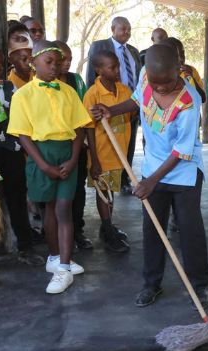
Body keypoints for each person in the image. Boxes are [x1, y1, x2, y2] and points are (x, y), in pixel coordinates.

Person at [91, 44, 208, 308]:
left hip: (183, 172)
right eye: (155, 83)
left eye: (166, 83)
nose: (160, 88)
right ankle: (151, 284)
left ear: (178, 71)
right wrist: (114, 110)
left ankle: (199, 285)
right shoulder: (147, 75)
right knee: (152, 230)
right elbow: (138, 99)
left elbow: (181, 151)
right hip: (153, 167)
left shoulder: (190, 101)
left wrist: (151, 182)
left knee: (190, 230)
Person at [8, 41, 92, 294]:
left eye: (58, 62)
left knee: (64, 207)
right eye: (49, 62)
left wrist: (74, 158)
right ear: (34, 63)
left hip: (67, 153)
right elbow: (23, 135)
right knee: (50, 209)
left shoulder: (67, 91)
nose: (55, 67)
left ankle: (63, 268)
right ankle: (55, 257)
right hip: (40, 154)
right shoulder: (23, 95)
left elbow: (79, 128)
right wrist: (43, 165)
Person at [83, 50, 132, 253]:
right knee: (104, 194)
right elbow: (89, 129)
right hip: (102, 155)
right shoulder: (92, 95)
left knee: (110, 193)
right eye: (112, 67)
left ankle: (107, 226)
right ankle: (108, 232)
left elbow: (133, 111)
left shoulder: (124, 90)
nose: (117, 70)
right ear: (98, 70)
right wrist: (94, 159)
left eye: (117, 65)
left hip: (118, 153)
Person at [86, 17, 142, 195]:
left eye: (129, 28)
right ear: (113, 29)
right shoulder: (99, 46)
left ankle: (125, 176)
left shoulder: (133, 51)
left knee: (128, 143)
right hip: (105, 102)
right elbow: (90, 75)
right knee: (108, 151)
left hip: (128, 103)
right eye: (122, 28)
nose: (126, 32)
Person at [0, 47, 40, 266]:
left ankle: (26, 247)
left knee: (17, 199)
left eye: (0, 64)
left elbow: (18, 118)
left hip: (10, 152)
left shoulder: (8, 87)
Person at [52, 40, 94, 251]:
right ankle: (55, 236)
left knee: (78, 190)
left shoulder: (76, 81)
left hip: (77, 144)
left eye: (69, 59)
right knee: (55, 196)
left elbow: (84, 114)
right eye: (63, 59)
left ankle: (77, 231)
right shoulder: (43, 83)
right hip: (54, 147)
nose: (67, 63)